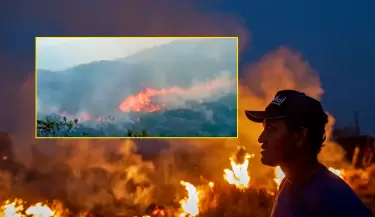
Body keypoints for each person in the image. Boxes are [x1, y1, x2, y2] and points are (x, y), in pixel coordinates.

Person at [245, 90, 373, 217]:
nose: (261, 138)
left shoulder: (332, 199)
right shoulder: (289, 184)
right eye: (264, 128)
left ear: (300, 136)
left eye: (271, 129)